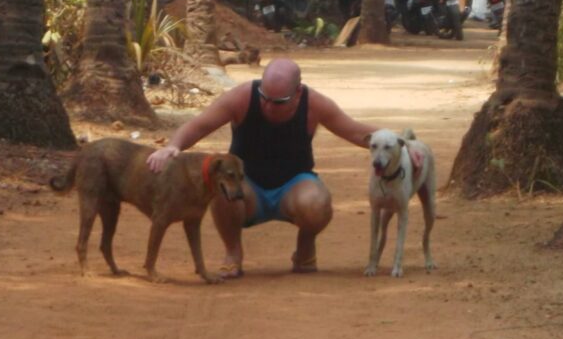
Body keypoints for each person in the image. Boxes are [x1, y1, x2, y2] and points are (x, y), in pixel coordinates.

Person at [146, 58, 384, 278]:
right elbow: (199, 125)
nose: (269, 106)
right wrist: (173, 146)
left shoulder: (314, 104)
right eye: (264, 97)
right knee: (221, 188)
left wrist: (399, 144)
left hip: (294, 186)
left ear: (297, 93)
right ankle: (233, 252)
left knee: (316, 204)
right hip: (246, 186)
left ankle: (305, 248)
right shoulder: (242, 97)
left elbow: (355, 132)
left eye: (278, 102)